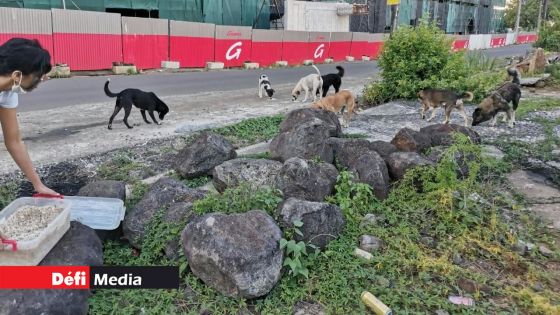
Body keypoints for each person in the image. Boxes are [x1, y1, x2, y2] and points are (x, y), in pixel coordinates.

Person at [0, 38, 59, 195]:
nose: (40, 79)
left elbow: (14, 142)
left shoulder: (7, 92)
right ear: (17, 76)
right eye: (37, 75)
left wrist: (37, 185)